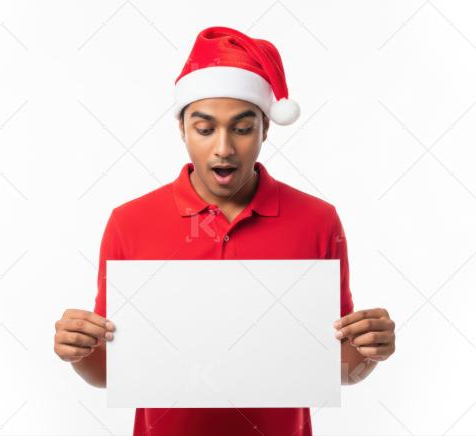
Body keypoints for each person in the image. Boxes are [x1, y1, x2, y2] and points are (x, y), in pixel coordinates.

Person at [54, 25, 396, 436]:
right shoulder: (129, 222)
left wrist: (370, 349)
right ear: (182, 129)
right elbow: (112, 371)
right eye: (204, 129)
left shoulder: (317, 220)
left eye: (242, 128)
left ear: (265, 128)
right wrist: (78, 349)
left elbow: (334, 366)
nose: (223, 148)